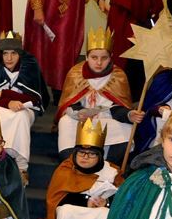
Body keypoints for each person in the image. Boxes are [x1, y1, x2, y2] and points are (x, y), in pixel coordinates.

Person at [21, 119, 123, 219]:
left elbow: (123, 198)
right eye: (81, 153)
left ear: (100, 156)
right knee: (67, 212)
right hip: (71, 209)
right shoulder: (66, 169)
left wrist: (107, 203)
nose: (85, 157)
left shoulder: (111, 171)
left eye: (91, 154)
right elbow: (56, 199)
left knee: (105, 215)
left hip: (99, 210)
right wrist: (85, 202)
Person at [55, 28, 142, 166]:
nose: (99, 62)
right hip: (81, 118)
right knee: (65, 122)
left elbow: (120, 106)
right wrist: (78, 112)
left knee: (127, 129)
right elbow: (68, 102)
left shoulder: (118, 76)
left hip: (107, 118)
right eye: (94, 57)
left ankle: (107, 165)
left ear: (111, 57)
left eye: (104, 58)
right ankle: (72, 165)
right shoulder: (76, 73)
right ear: (87, 56)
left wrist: (129, 114)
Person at [0, 30, 49, 163]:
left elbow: (34, 98)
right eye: (5, 53)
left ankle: (21, 164)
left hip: (23, 109)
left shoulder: (30, 66)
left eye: (14, 53)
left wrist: (2, 94)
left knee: (20, 116)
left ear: (20, 54)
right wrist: (8, 102)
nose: (9, 58)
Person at [107, 0, 164, 98]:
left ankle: (138, 98)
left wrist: (151, 30)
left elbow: (155, 12)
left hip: (145, 33)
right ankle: (120, 96)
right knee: (125, 65)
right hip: (126, 33)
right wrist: (128, 32)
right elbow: (116, 15)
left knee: (141, 67)